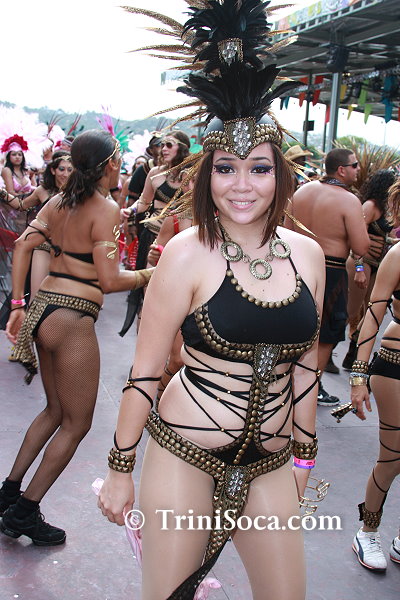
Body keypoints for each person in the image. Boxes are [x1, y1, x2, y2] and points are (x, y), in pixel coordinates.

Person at [98, 2, 326, 598]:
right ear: (207, 175)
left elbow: (306, 367)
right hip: (186, 455)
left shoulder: (307, 256)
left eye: (259, 169)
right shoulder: (185, 254)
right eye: (226, 168)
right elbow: (146, 371)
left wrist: (304, 460)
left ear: (280, 175)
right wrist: (120, 469)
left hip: (271, 463)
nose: (242, 185)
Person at [0, 130, 153, 546]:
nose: (119, 168)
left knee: (54, 410)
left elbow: (23, 245)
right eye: (118, 161)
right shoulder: (105, 209)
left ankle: (9, 493)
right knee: (76, 423)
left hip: (44, 309)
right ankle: (23, 513)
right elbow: (110, 280)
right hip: (72, 317)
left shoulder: (57, 202)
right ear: (109, 165)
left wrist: (18, 305)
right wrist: (154, 272)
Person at [284, 147, 370, 406]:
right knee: (326, 334)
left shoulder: (301, 192)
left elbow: (285, 231)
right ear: (341, 170)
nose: (358, 169)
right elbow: (361, 246)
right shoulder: (348, 200)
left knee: (293, 328)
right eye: (354, 165)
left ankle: (286, 385)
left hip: (295, 267)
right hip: (330, 271)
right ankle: (311, 388)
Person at [350, 209, 400, 571]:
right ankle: (367, 531)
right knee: (393, 458)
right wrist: (358, 376)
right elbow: (373, 314)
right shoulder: (399, 255)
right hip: (396, 365)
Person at [119, 130, 191, 336]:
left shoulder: (190, 175)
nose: (163, 149)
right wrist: (130, 211)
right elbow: (143, 201)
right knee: (148, 290)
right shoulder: (154, 173)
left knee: (177, 293)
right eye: (162, 145)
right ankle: (144, 341)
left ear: (182, 148)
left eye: (169, 144)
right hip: (152, 238)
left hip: (179, 241)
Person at [342, 169, 398, 370]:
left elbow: (382, 236)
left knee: (370, 312)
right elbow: (355, 238)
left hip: (376, 265)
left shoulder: (383, 209)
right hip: (362, 263)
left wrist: (389, 241)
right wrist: (358, 268)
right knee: (350, 312)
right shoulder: (370, 206)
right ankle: (326, 351)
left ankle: (353, 354)